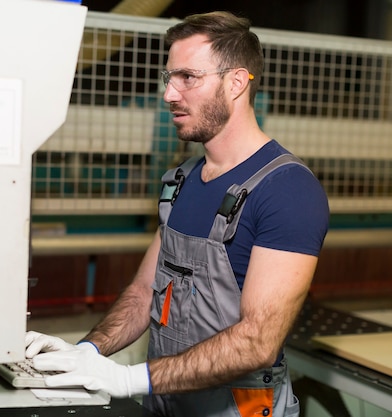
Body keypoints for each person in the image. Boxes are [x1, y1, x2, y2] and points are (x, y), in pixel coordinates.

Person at [25, 10, 330, 417]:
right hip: (167, 403)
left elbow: (258, 341)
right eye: (170, 77)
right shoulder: (180, 182)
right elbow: (142, 293)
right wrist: (85, 352)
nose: (169, 93)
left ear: (236, 82)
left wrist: (127, 379)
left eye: (188, 77)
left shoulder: (287, 189)